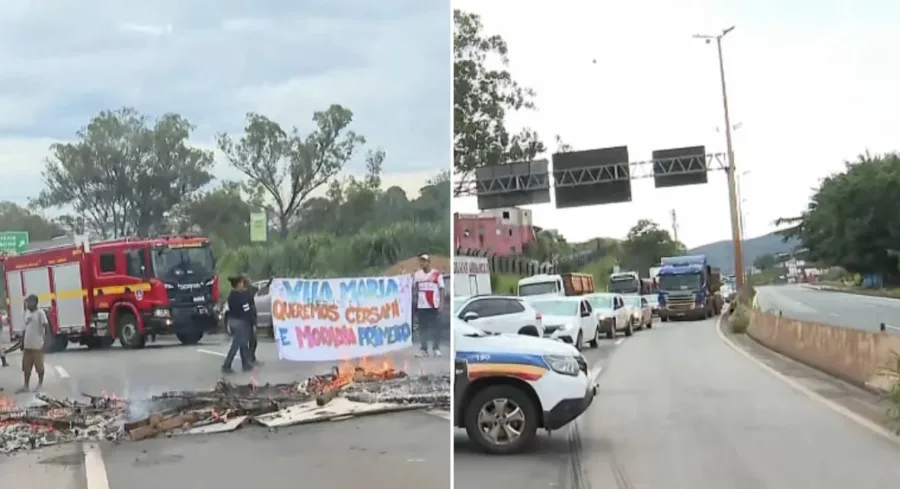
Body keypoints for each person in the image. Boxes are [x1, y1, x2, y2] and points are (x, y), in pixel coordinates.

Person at [222, 274, 255, 373]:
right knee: (236, 345)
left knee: (243, 343)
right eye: (241, 283)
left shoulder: (231, 295)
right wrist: (252, 322)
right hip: (240, 322)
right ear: (238, 284)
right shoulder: (240, 296)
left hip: (232, 321)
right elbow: (246, 310)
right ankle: (226, 365)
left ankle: (246, 364)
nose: (242, 285)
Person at [413, 253, 444, 357]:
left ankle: (436, 348)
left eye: (424, 261)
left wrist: (441, 303)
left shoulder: (437, 274)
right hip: (422, 306)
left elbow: (441, 289)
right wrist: (415, 301)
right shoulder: (417, 275)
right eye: (421, 261)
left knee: (435, 328)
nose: (422, 263)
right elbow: (415, 289)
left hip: (433, 305)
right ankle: (424, 349)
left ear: (428, 262)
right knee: (423, 328)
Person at [19, 294, 48, 392]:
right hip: (27, 346)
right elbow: (25, 329)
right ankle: (25, 386)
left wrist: (46, 341)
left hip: (37, 345)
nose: (27, 304)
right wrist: (22, 342)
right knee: (26, 367)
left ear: (35, 302)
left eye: (29, 302)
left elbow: (45, 326)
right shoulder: (27, 313)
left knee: (39, 367)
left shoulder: (40, 313)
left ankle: (40, 384)